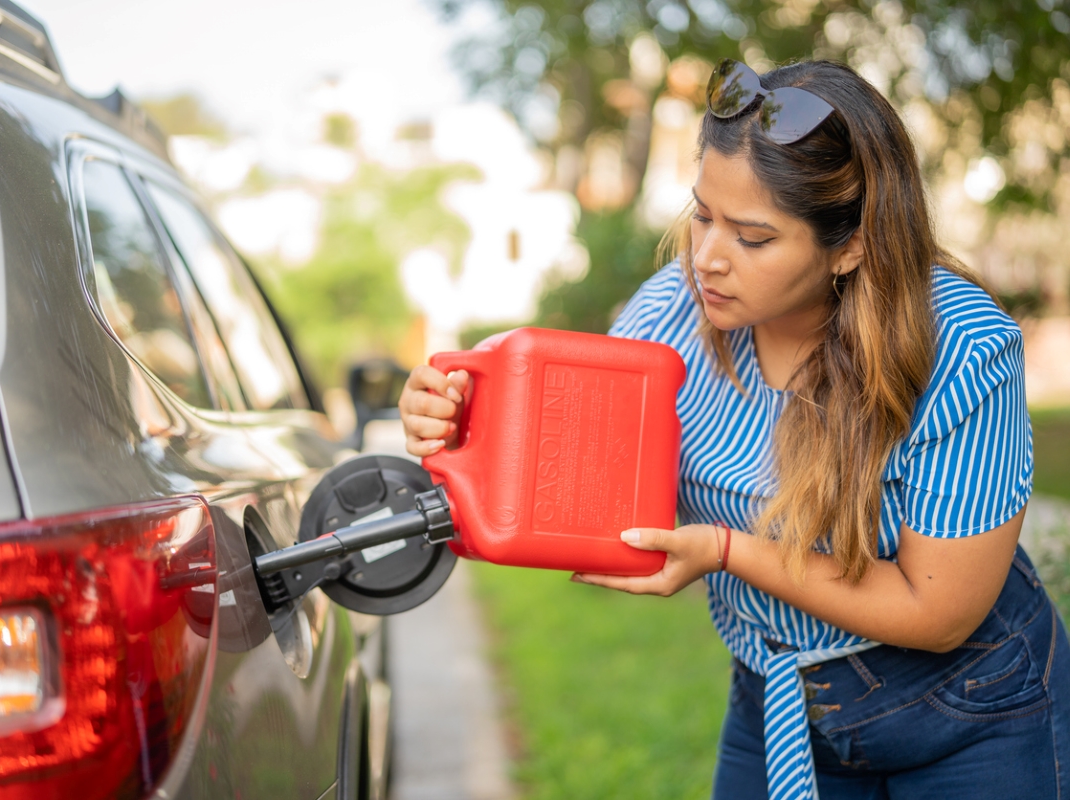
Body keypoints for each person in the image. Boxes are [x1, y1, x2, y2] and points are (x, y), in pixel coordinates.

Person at [398, 58, 1070, 799]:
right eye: (702, 216)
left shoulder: (964, 350)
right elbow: (576, 476)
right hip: (778, 698)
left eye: (753, 238)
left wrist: (727, 551)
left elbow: (937, 612)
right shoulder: (670, 314)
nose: (707, 260)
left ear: (850, 247)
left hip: (970, 709)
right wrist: (461, 423)